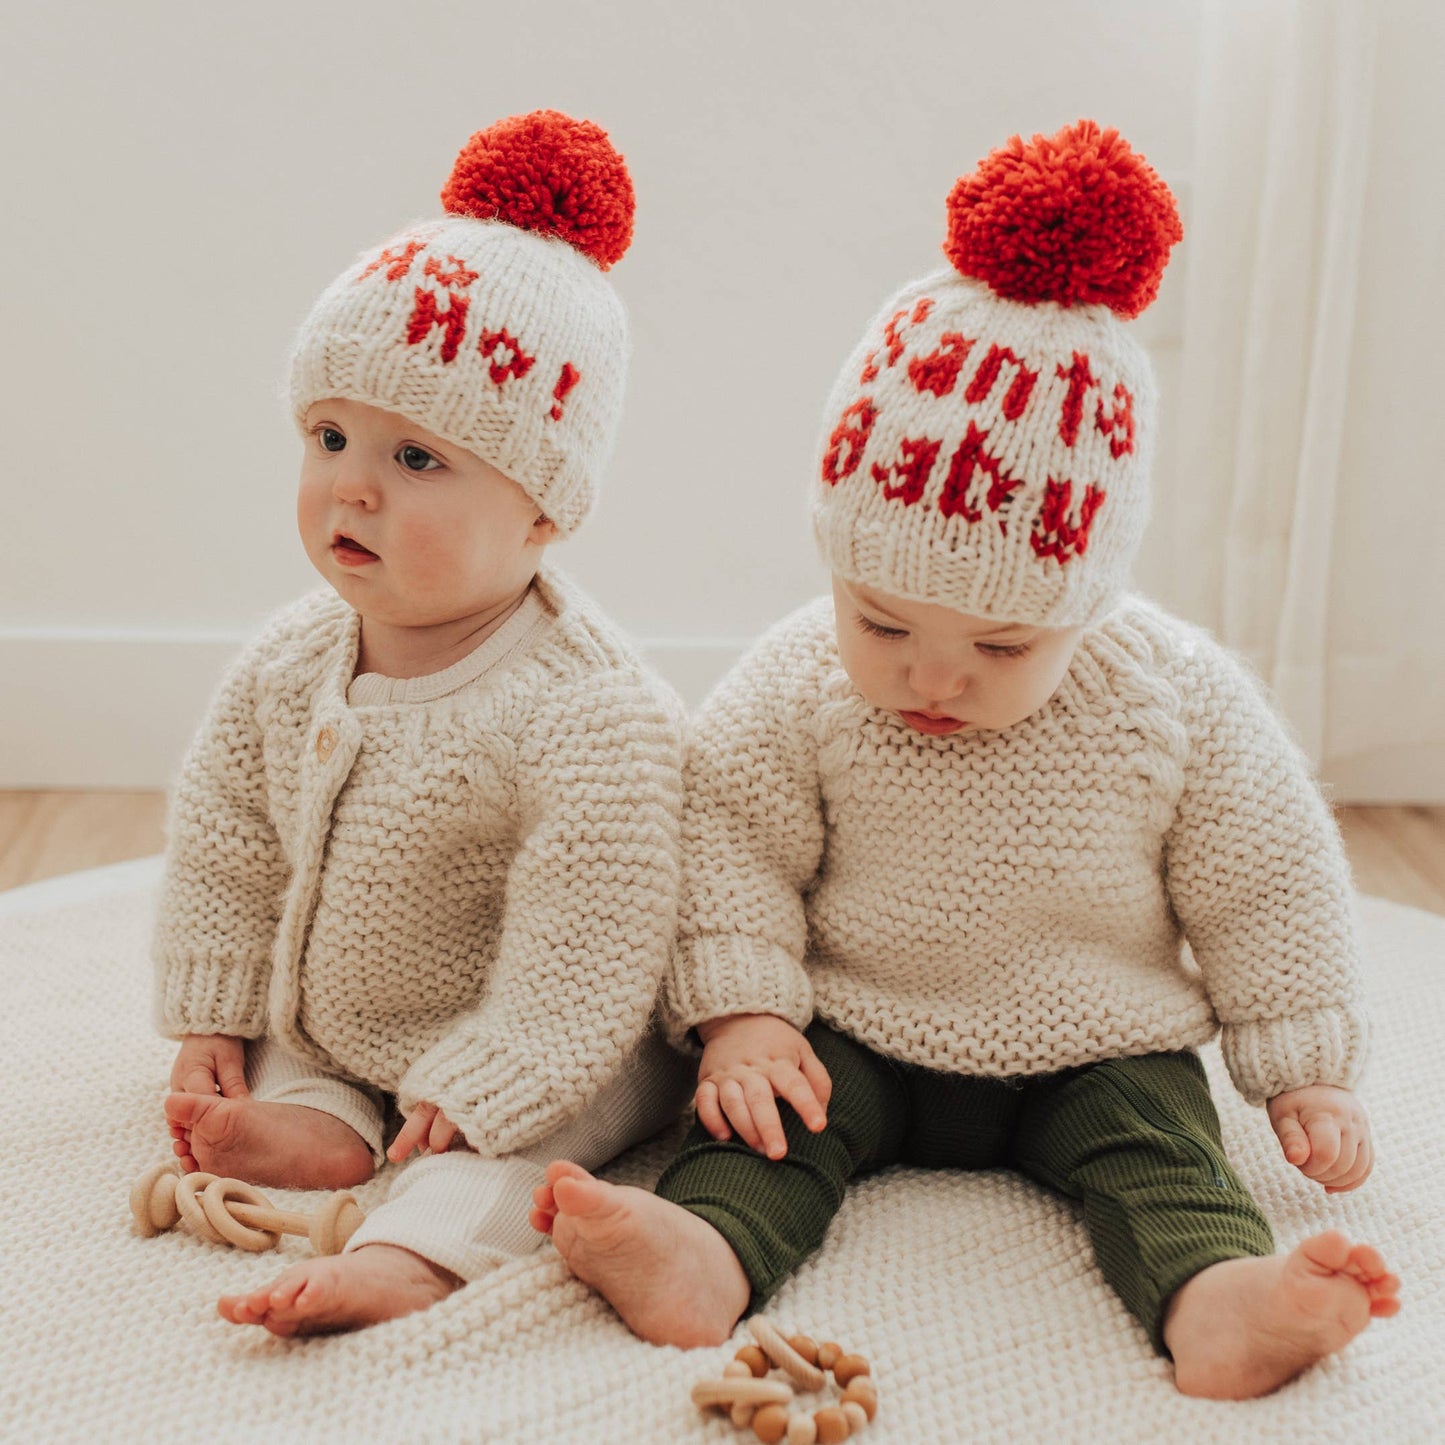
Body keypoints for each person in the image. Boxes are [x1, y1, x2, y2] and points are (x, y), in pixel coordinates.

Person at [533, 119, 1401, 1399]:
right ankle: (702, 1254)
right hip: (858, 1025)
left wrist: (1300, 1065)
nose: (929, 674)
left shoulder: (1170, 697)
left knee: (1161, 1153)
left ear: (1089, 595)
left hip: (1096, 1042)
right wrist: (749, 1011)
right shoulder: (798, 679)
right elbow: (724, 836)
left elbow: (1264, 874)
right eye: (881, 620)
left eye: (1000, 643)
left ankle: (1218, 1300)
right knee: (766, 1125)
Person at [152, 111, 693, 1335]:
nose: (352, 483)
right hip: (359, 1007)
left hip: (560, 1029)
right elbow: (230, 843)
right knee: (300, 1052)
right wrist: (211, 1015)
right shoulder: (292, 660)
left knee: (539, 1138)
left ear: (542, 510)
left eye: (416, 458)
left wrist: (498, 1072)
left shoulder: (587, 710)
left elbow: (589, 935)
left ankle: (417, 1248)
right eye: (331, 437)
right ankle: (326, 1125)